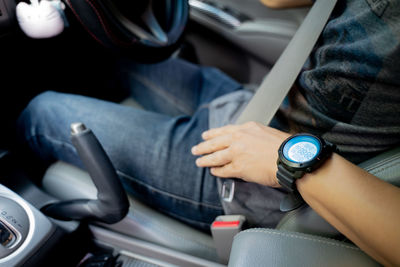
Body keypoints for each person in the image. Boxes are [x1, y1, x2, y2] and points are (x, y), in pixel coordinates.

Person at [16, 0, 400, 265]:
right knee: (120, 56)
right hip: (259, 109)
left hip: (268, 182)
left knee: (40, 109)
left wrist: (290, 158)